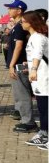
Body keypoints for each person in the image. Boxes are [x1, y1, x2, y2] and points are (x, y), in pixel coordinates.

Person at [5, 0, 36, 132]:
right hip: (16, 64)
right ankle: (23, 117)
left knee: (22, 94)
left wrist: (12, 64)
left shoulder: (19, 27)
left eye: (11, 8)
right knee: (19, 93)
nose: (8, 10)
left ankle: (28, 122)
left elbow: (18, 46)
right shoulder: (16, 26)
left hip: (19, 65)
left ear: (19, 10)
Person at [21, 11, 48, 149]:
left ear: (30, 22)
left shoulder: (37, 37)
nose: (21, 23)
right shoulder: (33, 37)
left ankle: (45, 134)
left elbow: (38, 54)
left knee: (45, 107)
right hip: (39, 76)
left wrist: (33, 69)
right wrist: (30, 65)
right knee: (42, 107)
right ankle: (44, 133)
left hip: (43, 76)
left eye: (23, 21)